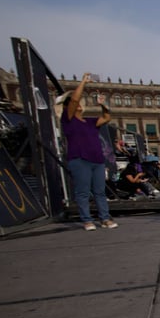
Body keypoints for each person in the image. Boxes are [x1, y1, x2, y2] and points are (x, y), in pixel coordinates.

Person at [58, 73, 118, 231]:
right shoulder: (68, 120)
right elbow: (75, 99)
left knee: (100, 191)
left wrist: (103, 104)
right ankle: (87, 220)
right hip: (80, 159)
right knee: (83, 192)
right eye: (74, 104)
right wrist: (83, 81)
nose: (79, 105)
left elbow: (107, 117)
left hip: (97, 160)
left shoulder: (91, 121)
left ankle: (105, 218)